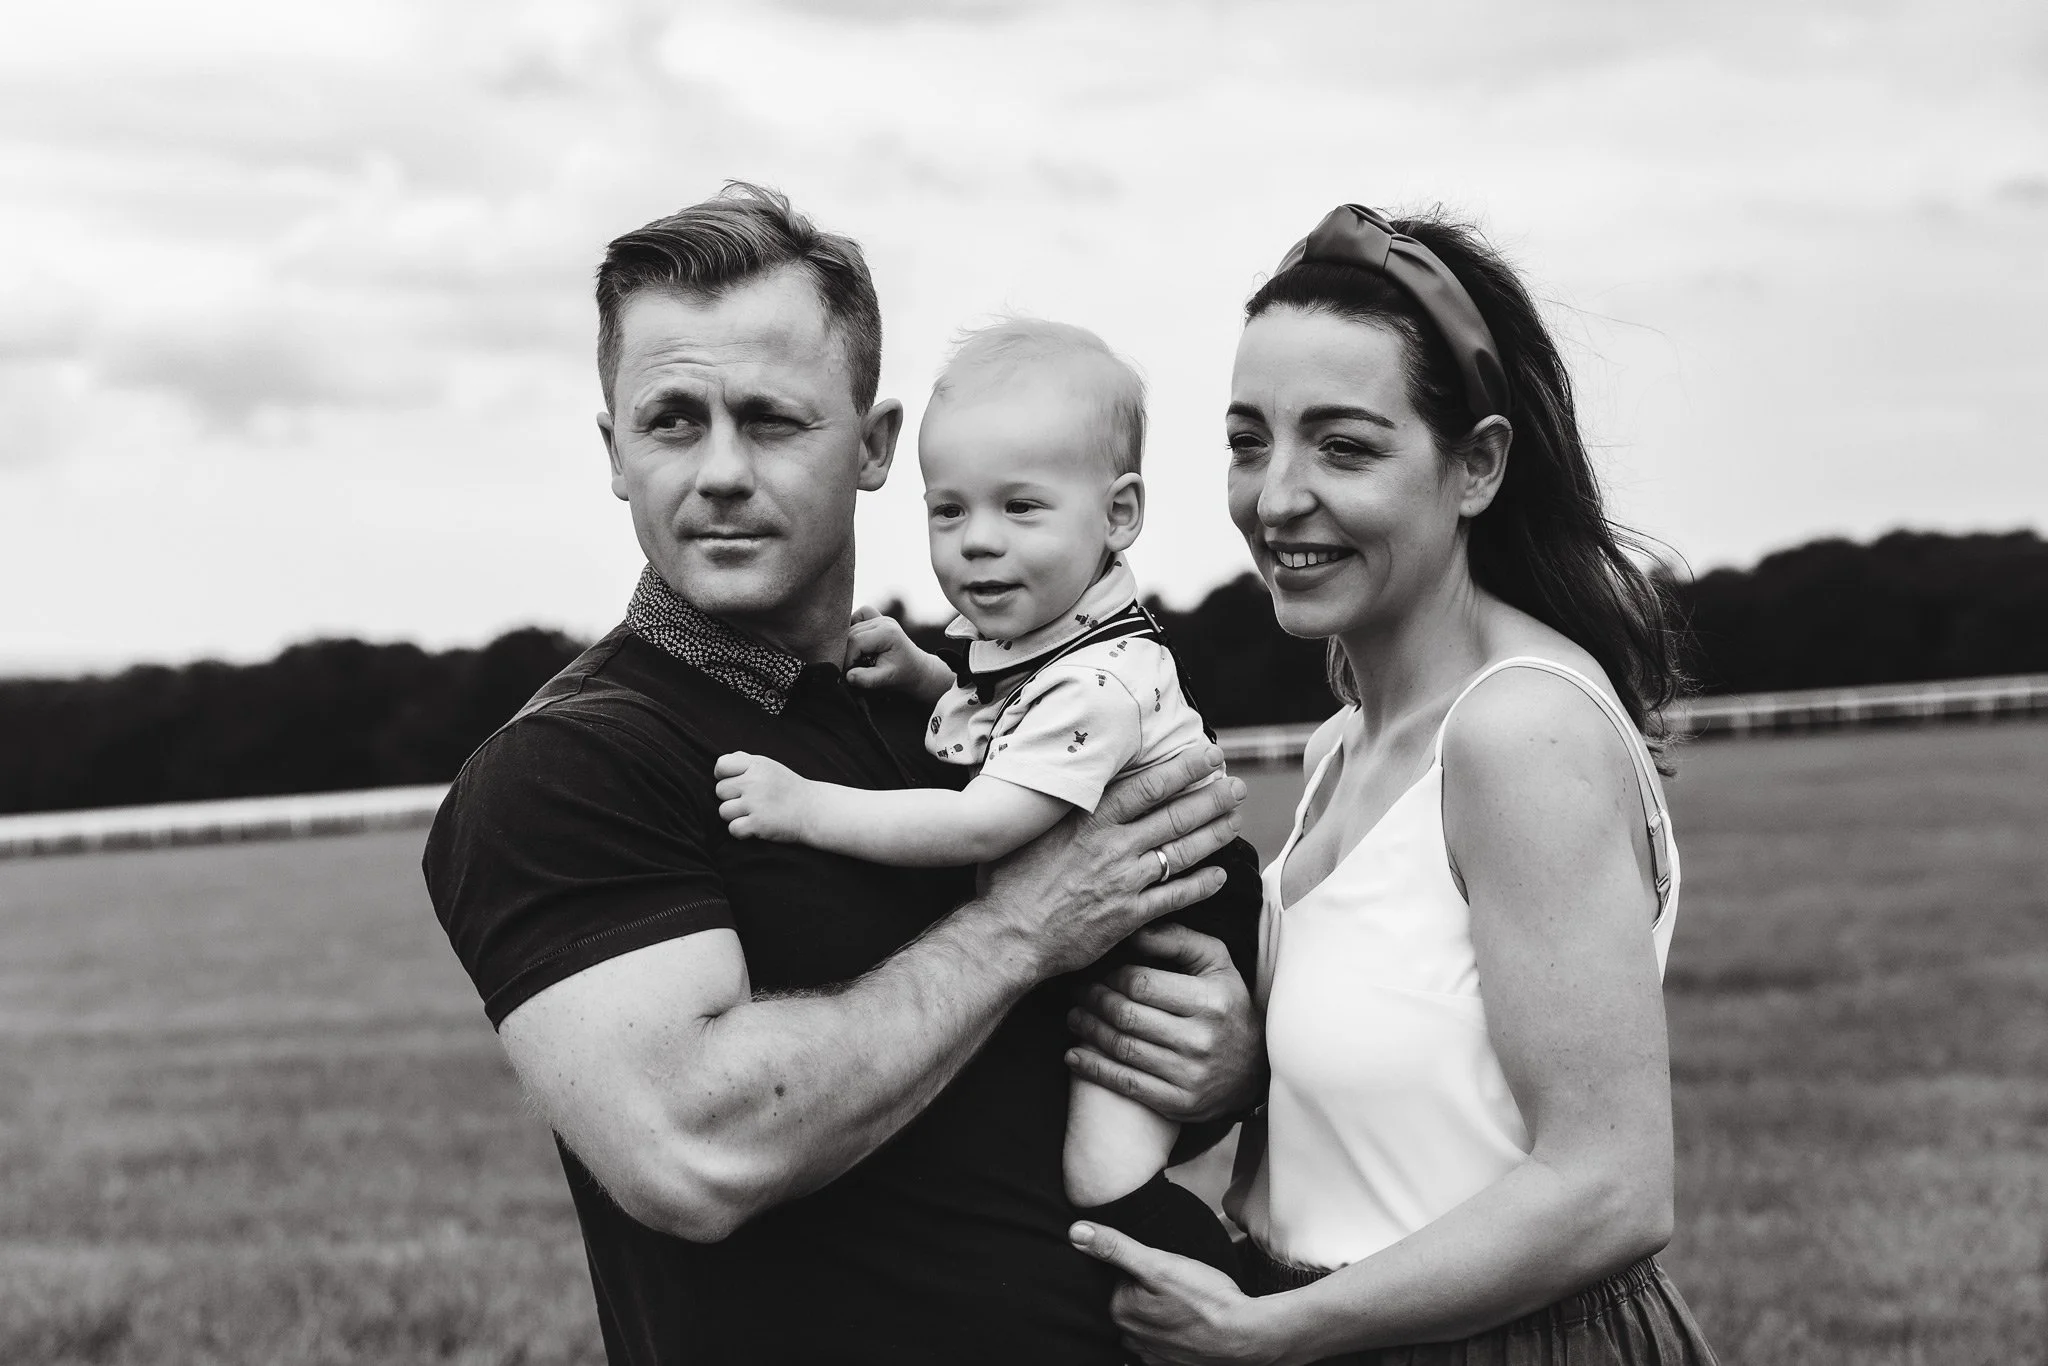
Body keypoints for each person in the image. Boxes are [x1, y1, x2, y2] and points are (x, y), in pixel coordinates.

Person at [420, 183, 1258, 1366]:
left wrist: (1222, 1063)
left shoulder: (959, 713)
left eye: (770, 420)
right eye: (670, 421)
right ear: (612, 451)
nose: (718, 470)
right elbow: (696, 1150)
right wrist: (1022, 925)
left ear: (871, 447)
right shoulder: (563, 767)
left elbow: (1078, 1073)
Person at [1063, 204, 1722, 1364]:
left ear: (1475, 464)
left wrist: (1273, 1331)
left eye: (1343, 446)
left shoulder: (1515, 733)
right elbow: (1416, 1087)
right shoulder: (1343, 744)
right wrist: (1243, 1068)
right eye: (1247, 439)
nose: (1274, 497)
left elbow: (1609, 1185)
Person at [711, 318, 1262, 1277]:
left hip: (1167, 942)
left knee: (1100, 1171)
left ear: (1120, 515)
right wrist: (932, 680)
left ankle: (1219, 1294)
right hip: (1120, 920)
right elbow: (1001, 723)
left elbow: (986, 818)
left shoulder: (1101, 680)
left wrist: (807, 808)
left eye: (1020, 508)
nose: (979, 545)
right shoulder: (1045, 637)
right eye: (949, 511)